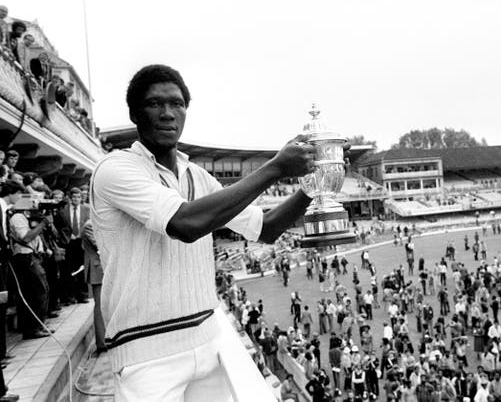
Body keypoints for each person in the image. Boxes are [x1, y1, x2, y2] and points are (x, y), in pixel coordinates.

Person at [90, 64, 321, 400]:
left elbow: (266, 228)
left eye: (177, 103)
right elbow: (185, 224)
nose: (168, 113)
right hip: (147, 357)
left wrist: (314, 188)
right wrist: (275, 167)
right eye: (155, 104)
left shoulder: (197, 176)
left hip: (208, 343)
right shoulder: (114, 169)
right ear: (134, 114)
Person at [6, 181, 51, 339]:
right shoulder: (18, 217)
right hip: (25, 257)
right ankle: (32, 328)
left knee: (40, 290)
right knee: (37, 292)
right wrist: (43, 224)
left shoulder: (28, 217)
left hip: (32, 256)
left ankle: (37, 325)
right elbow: (25, 238)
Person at [56, 187, 90, 304]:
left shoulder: (87, 209)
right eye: (74, 197)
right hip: (68, 242)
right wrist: (69, 235)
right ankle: (69, 296)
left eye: (79, 197)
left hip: (81, 241)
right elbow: (60, 227)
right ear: (70, 198)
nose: (76, 199)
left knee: (81, 268)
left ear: (81, 198)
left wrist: (80, 234)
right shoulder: (62, 210)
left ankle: (83, 295)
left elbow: (88, 224)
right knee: (68, 269)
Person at [81, 219, 106, 354]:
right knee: (100, 306)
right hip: (97, 269)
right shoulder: (90, 225)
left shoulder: (95, 223)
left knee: (103, 305)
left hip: (100, 269)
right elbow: (101, 246)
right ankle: (102, 342)